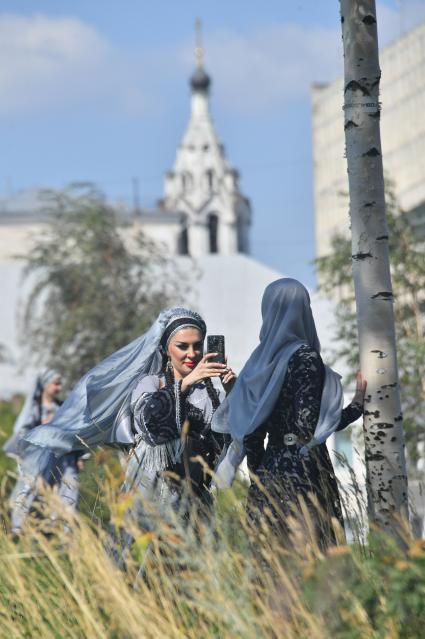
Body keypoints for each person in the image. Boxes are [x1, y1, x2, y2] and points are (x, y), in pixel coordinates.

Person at [20, 308, 235, 531]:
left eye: (197, 345)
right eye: (182, 346)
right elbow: (150, 424)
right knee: (142, 557)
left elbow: (226, 444)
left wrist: (233, 393)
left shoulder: (213, 395)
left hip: (194, 497)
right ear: (166, 349)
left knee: (191, 561)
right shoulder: (150, 384)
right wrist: (186, 384)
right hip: (151, 491)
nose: (192, 353)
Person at [212, 278, 366, 548]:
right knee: (311, 561)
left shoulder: (259, 361)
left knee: (272, 562)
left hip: (269, 471)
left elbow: (251, 430)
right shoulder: (306, 358)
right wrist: (356, 407)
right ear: (303, 311)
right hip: (304, 472)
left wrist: (260, 473)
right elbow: (309, 426)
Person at [3, 369, 83, 533]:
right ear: (45, 384)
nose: (58, 387)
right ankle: (19, 528)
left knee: (67, 491)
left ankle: (62, 531)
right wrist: (42, 428)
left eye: (60, 383)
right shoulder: (35, 409)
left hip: (62, 458)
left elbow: (74, 432)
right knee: (30, 489)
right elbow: (22, 432)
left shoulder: (61, 407)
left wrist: (79, 456)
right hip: (38, 459)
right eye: (55, 383)